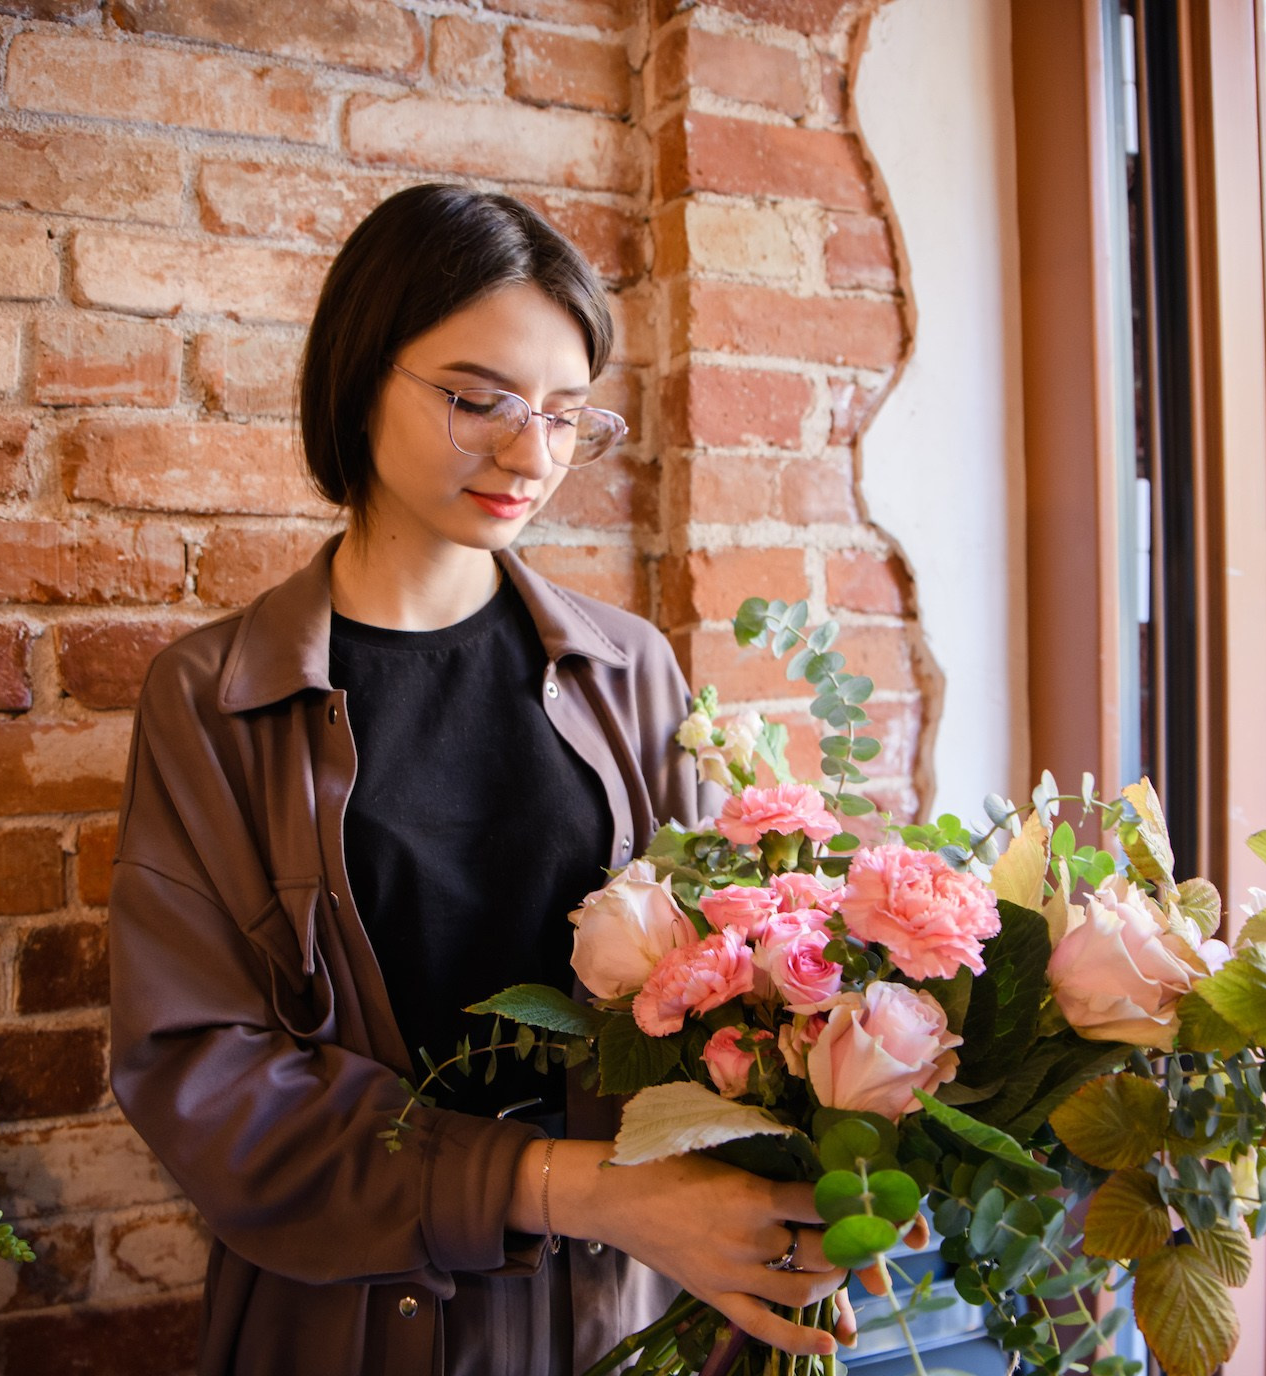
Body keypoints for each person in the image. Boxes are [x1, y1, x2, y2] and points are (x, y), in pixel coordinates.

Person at [107, 184, 867, 1376]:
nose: (531, 453)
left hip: (619, 1323)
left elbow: (730, 998)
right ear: (360, 373)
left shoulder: (634, 675)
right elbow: (207, 1083)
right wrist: (577, 1188)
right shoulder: (216, 699)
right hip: (351, 1327)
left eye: (566, 415)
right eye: (479, 400)